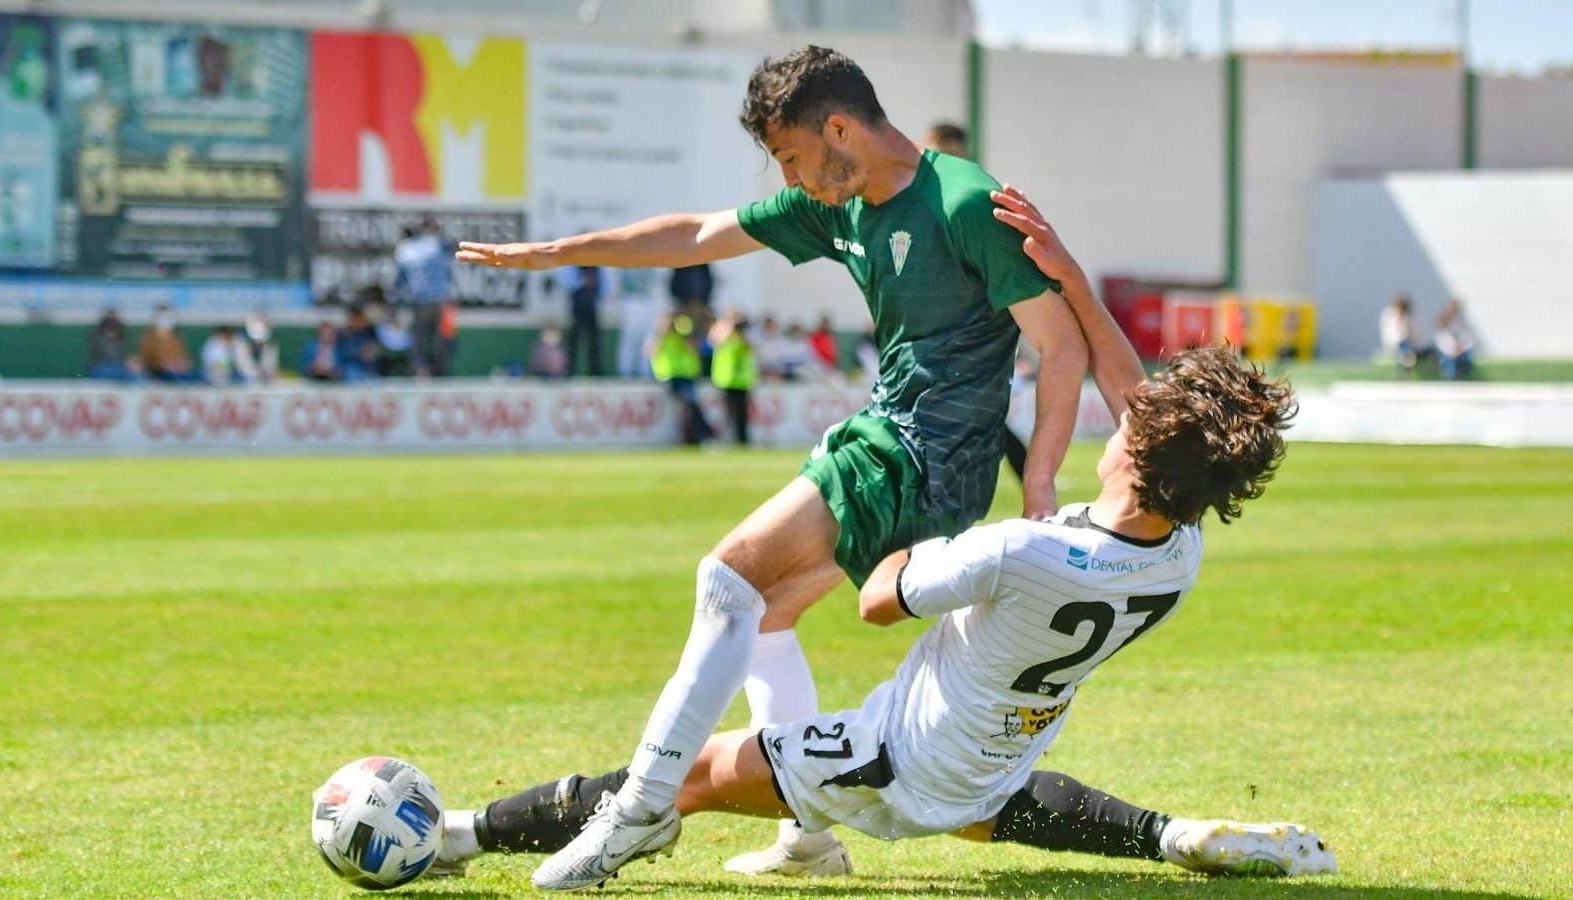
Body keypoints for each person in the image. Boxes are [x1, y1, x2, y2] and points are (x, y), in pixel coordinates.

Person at [428, 198, 1328, 886]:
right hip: (996, 758)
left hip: (894, 758)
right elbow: (1136, 400)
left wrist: (907, 518)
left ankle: (455, 835)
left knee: (679, 780)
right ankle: (1169, 835)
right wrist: (1072, 282)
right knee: (979, 808)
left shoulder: (1022, 549)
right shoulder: (1177, 552)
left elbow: (878, 600)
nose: (1124, 412)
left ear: (1137, 454)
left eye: (1137, 419)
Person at [456, 46, 1088, 887]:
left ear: (838, 129)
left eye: (790, 155)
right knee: (763, 620)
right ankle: (811, 839)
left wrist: (1040, 477)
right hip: (893, 442)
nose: (788, 174)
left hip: (923, 457)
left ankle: (640, 811)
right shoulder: (839, 202)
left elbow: (1061, 346)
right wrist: (564, 252)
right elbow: (697, 234)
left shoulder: (964, 200)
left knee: (728, 579)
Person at [925, 119, 1031, 482]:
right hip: (936, 329)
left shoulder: (975, 195)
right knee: (976, 419)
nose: (951, 159)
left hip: (970, 330)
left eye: (956, 152)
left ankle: (1032, 476)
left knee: (983, 417)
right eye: (943, 152)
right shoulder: (918, 196)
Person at [394, 219, 453, 377]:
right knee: (439, 338)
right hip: (439, 299)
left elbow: (400, 277)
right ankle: (438, 371)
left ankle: (421, 371)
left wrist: (395, 301)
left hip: (421, 299)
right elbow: (449, 271)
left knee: (420, 337)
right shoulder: (439, 245)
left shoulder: (407, 248)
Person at [650, 315, 715, 445]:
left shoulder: (683, 337)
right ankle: (703, 436)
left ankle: (696, 437)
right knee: (691, 405)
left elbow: (695, 349)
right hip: (672, 377)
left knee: (691, 407)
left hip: (687, 377)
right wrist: (661, 333)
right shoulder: (664, 338)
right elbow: (651, 350)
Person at [709, 311, 757, 445]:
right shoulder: (722, 332)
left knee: (742, 414)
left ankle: (742, 441)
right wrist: (729, 327)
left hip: (742, 381)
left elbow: (751, 347)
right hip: (726, 379)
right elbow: (715, 341)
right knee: (728, 413)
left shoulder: (743, 336)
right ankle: (726, 440)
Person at [615, 268, 661, 379]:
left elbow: (655, 277)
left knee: (647, 337)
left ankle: (645, 371)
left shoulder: (650, 259)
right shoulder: (625, 261)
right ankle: (625, 371)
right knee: (629, 338)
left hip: (647, 300)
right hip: (630, 300)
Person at [138, 304, 200, 383]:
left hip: (179, 372)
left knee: (196, 377)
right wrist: (165, 365)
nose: (166, 319)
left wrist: (183, 364)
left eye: (169, 317)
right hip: (158, 372)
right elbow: (147, 358)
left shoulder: (177, 337)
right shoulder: (148, 338)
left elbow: (184, 356)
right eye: (164, 317)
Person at [565, 265, 605, 377]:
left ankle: (595, 373)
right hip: (577, 307)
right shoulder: (573, 265)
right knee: (574, 341)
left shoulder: (597, 267)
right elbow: (567, 282)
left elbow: (603, 286)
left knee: (594, 341)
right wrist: (581, 281)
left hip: (592, 307)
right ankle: (569, 371)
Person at [86, 308, 141, 382]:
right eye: (108, 319)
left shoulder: (124, 336)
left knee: (138, 377)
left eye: (113, 319)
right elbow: (98, 356)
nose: (111, 322)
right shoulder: (97, 337)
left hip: (122, 367)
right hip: (102, 367)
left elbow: (131, 356)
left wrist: (132, 363)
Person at [1434, 297, 1477, 380]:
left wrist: (1460, 347)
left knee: (1466, 359)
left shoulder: (1460, 321)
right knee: (1449, 362)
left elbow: (1467, 336)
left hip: (1460, 350)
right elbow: (1442, 340)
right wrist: (1452, 349)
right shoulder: (1443, 324)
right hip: (1448, 351)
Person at [1378, 294, 1420, 376]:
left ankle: (1406, 361)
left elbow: (1415, 332)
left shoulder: (1409, 316)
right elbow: (1392, 334)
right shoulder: (1390, 314)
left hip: (1409, 343)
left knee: (1406, 345)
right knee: (1404, 345)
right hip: (1397, 343)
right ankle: (1407, 360)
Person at [234, 312, 280, 385]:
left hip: (265, 380)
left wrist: (270, 373)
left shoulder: (271, 343)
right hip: (243, 380)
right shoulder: (240, 341)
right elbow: (243, 366)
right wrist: (259, 373)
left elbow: (271, 365)